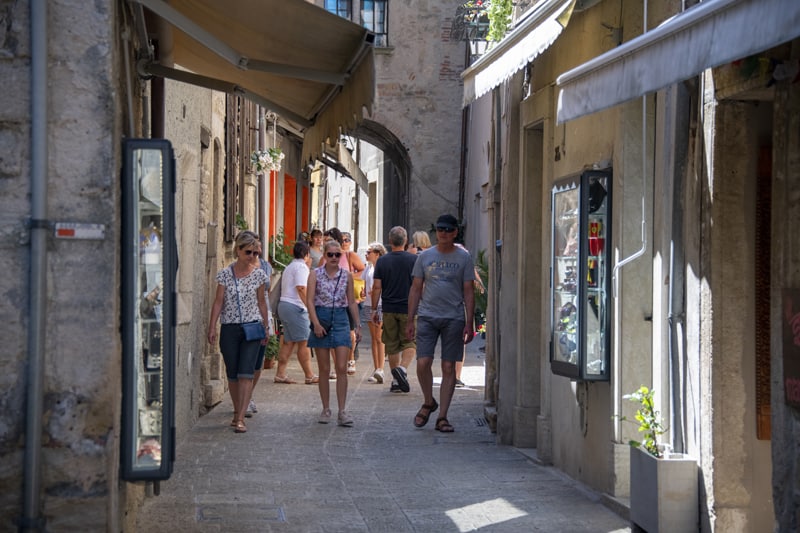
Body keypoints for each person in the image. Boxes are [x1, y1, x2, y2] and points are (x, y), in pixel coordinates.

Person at [406, 214, 475, 433]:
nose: (443, 233)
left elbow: (468, 290)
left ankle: (442, 416)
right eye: (439, 229)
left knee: (448, 366)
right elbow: (416, 288)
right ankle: (428, 401)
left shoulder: (464, 258)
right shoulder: (425, 257)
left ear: (455, 232)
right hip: (427, 316)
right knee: (423, 362)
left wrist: (470, 321)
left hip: (454, 317)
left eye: (447, 229)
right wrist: (410, 319)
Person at [207, 231, 270, 433]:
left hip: (252, 327)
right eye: (248, 252)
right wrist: (212, 326)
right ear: (238, 251)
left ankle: (241, 417)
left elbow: (262, 303)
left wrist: (266, 327)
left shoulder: (259, 275)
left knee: (246, 373)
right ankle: (236, 411)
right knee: (232, 374)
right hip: (230, 328)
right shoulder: (225, 274)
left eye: (254, 252)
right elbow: (218, 302)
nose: (251, 256)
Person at [307, 239, 362, 426]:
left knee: (341, 367)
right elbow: (310, 301)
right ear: (324, 255)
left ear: (341, 256)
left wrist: (358, 324)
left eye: (337, 254)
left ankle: (342, 410)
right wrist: (315, 323)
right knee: (324, 368)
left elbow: (352, 301)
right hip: (321, 317)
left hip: (340, 318)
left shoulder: (346, 275)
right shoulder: (315, 275)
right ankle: (325, 408)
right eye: (330, 254)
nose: (333, 257)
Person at [372, 226, 418, 393]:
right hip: (409, 308)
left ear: (390, 241)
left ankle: (396, 380)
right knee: (410, 341)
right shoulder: (414, 260)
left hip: (389, 308)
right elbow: (419, 285)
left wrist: (374, 309)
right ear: (405, 241)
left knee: (392, 344)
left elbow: (377, 287)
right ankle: (403, 370)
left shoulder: (382, 261)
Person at [273, 241, 318, 385]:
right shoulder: (301, 267)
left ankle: (280, 374)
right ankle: (309, 375)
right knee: (304, 341)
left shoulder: (290, 266)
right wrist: (310, 308)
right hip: (295, 307)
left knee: (289, 342)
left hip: (285, 305)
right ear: (306, 255)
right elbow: (301, 288)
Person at [361, 242, 387, 383]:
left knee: (379, 337)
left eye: (369, 252)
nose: (366, 254)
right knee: (373, 337)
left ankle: (381, 368)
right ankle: (376, 367)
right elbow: (362, 283)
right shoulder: (368, 268)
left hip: (380, 303)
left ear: (377, 254)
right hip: (368, 303)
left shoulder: (382, 267)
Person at [340, 231, 365, 375]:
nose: (344, 242)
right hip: (338, 299)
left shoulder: (351, 255)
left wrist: (349, 276)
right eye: (342, 240)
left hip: (351, 298)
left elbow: (362, 269)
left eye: (347, 240)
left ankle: (351, 359)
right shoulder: (334, 255)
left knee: (350, 330)